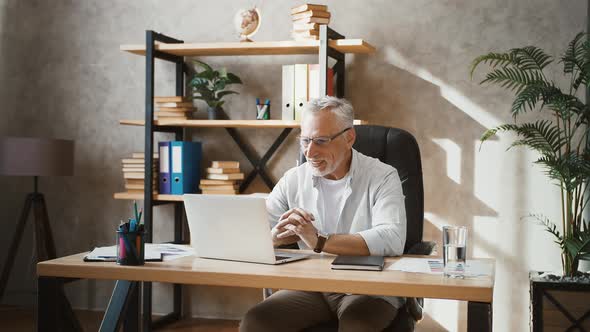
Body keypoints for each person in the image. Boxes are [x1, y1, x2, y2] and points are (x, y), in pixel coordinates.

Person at [240, 96, 407, 332]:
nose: (310, 151)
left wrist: (320, 240)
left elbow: (392, 237)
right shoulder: (294, 179)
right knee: (255, 322)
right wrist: (275, 236)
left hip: (368, 288)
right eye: (305, 140)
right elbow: (254, 230)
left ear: (349, 137)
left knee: (356, 327)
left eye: (320, 141)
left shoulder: (382, 176)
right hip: (310, 287)